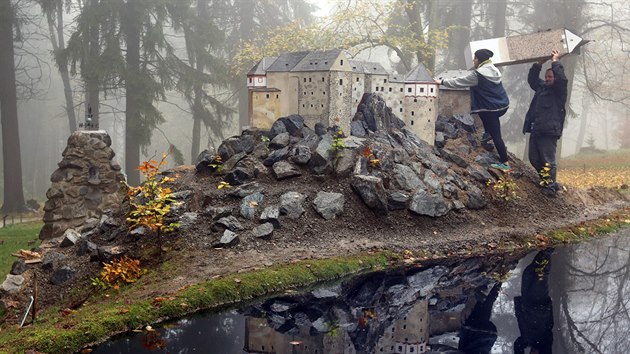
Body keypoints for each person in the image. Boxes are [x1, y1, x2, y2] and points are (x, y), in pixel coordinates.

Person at [435, 49, 511, 171]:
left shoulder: (478, 75)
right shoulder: (494, 69)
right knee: (481, 111)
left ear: (479, 60)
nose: (473, 60)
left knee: (497, 135)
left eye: (474, 58)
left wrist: (441, 81)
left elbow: (459, 82)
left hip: (492, 109)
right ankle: (487, 133)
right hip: (502, 105)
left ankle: (505, 163)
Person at [523, 49, 568, 197]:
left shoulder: (559, 91)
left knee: (548, 160)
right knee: (534, 158)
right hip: (536, 129)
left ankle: (549, 187)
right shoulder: (542, 87)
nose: (548, 78)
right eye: (546, 76)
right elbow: (532, 80)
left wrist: (555, 61)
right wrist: (538, 64)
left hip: (549, 131)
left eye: (550, 76)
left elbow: (562, 79)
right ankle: (548, 182)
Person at [513, 249, 554, 354]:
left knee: (528, 273)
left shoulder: (527, 340)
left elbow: (517, 344)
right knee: (541, 275)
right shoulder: (544, 342)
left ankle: (544, 251)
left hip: (526, 303)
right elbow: (547, 343)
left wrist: (518, 305)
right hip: (540, 305)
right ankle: (549, 249)